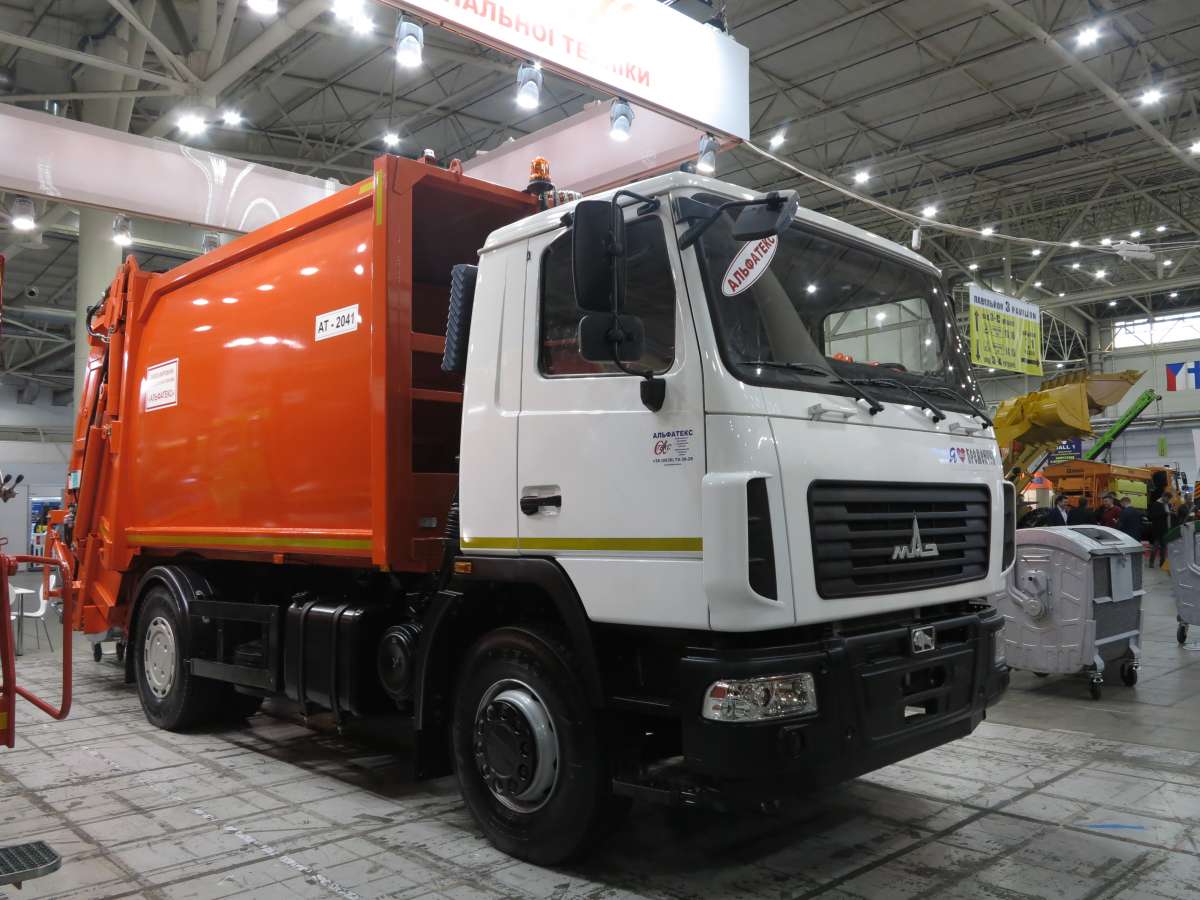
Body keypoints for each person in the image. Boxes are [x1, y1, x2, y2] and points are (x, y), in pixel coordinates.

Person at [1149, 490, 1172, 568]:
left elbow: (1167, 515)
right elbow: (1153, 516)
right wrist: (1165, 513)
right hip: (1158, 528)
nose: (1168, 500)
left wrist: (1171, 513)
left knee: (1164, 547)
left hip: (1165, 528)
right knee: (1155, 546)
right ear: (1163, 497)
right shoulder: (1156, 504)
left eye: (1169, 499)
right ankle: (1151, 562)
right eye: (1168, 498)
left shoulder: (1167, 504)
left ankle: (1162, 563)